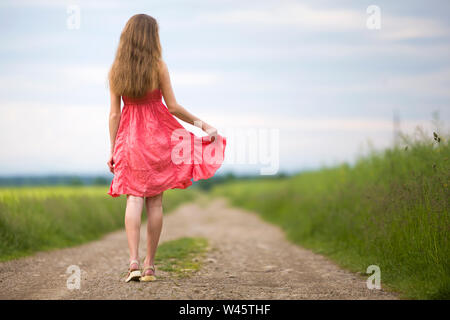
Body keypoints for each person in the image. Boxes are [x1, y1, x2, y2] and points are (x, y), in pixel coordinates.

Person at [106, 14, 226, 282]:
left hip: (130, 140)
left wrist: (113, 149)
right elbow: (172, 107)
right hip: (158, 138)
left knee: (134, 198)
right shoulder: (159, 67)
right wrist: (203, 126)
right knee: (155, 201)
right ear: (152, 37)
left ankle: (133, 263)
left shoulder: (116, 70)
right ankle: (150, 266)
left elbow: (114, 115)